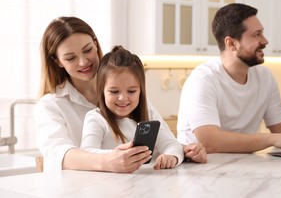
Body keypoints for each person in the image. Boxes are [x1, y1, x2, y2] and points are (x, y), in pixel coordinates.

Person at [34, 17, 206, 173]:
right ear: (57, 61)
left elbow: (162, 139)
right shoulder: (50, 105)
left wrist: (183, 151)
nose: (83, 62)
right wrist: (110, 161)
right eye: (71, 58)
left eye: (87, 50)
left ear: (95, 43)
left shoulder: (129, 92)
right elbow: (58, 154)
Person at [177, 3, 281, 154]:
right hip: (199, 171)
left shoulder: (265, 77)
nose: (265, 41)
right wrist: (273, 139)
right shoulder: (203, 80)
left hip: (244, 168)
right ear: (231, 43)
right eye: (257, 34)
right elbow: (210, 142)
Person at [81, 46, 184, 169]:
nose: (123, 98)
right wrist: (115, 156)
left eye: (131, 91)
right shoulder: (96, 119)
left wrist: (171, 156)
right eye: (114, 92)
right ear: (102, 91)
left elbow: (173, 144)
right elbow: (87, 153)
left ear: (141, 91)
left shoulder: (149, 114)